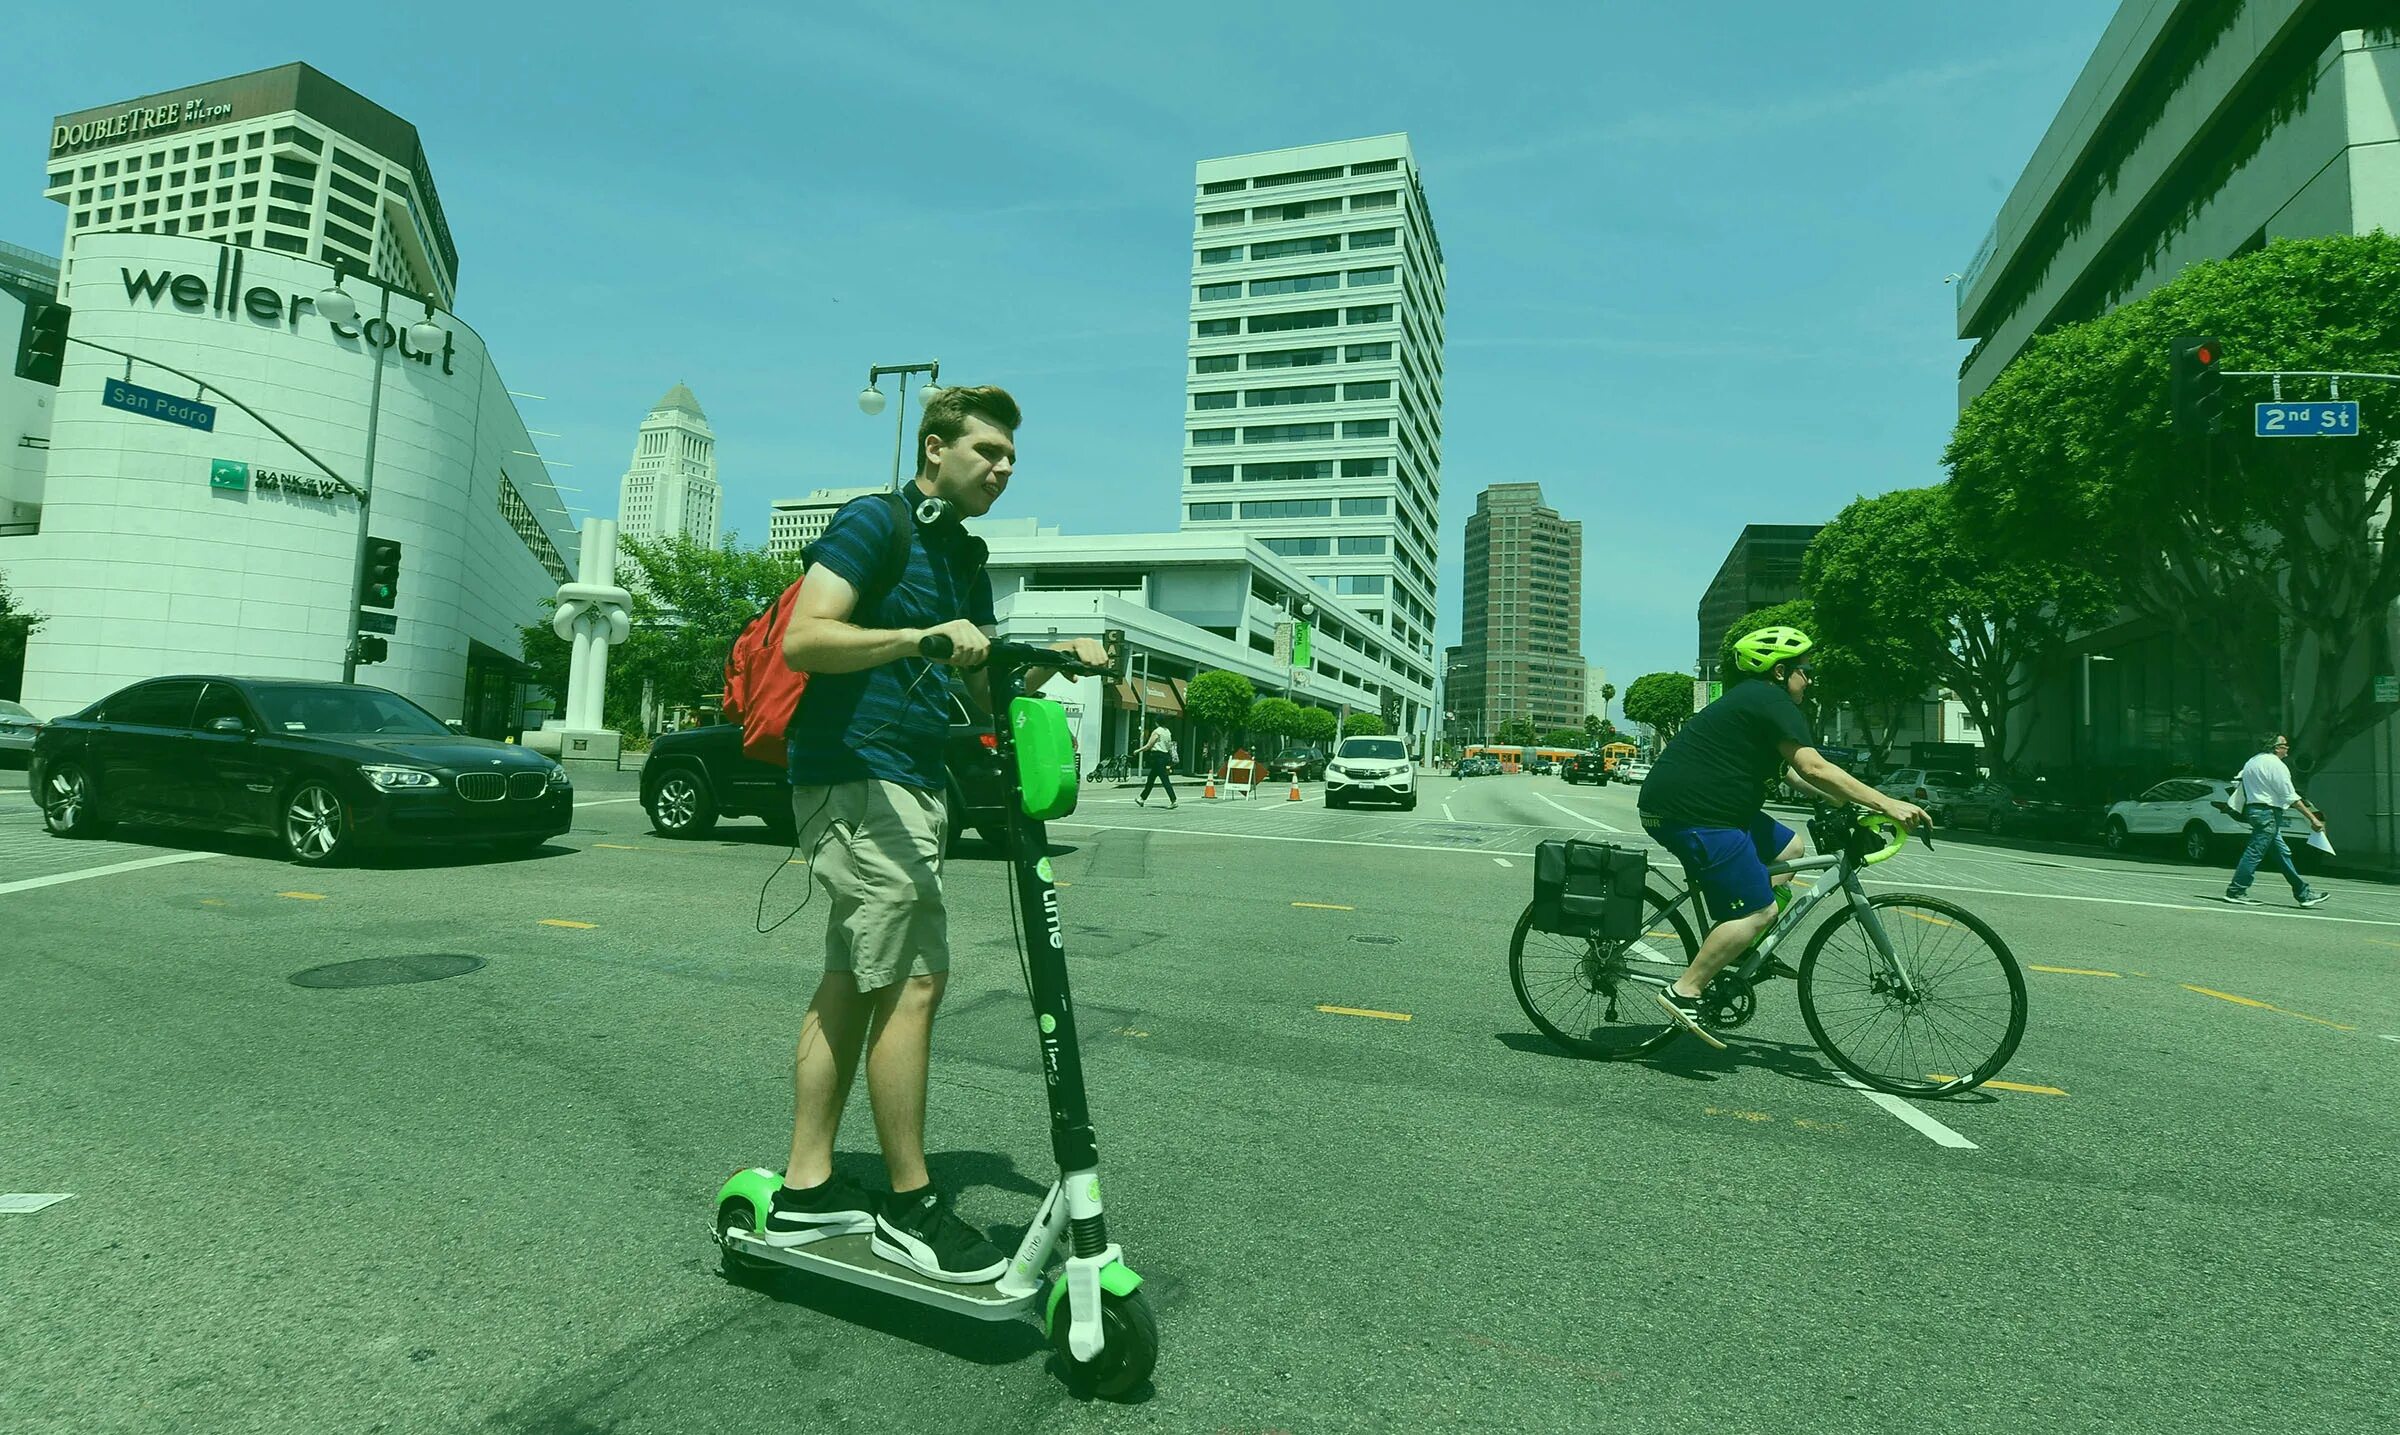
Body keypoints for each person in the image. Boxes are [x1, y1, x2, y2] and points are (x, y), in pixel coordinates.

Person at [767, 385, 1109, 1282]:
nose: (1001, 468)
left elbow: (985, 676)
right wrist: (918, 635)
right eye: (987, 451)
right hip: (854, 773)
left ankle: (807, 1187)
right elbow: (805, 639)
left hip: (913, 780)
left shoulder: (966, 554)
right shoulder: (874, 523)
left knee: (853, 977)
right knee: (915, 980)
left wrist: (1049, 660)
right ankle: (911, 1205)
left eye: (1009, 459)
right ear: (933, 448)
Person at [1636, 626, 1931, 1048]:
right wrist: (1887, 804)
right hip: (1691, 814)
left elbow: (1794, 773)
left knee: (1790, 848)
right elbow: (1814, 767)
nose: (1809, 679)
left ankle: (1737, 947)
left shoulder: (1758, 701)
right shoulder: (1770, 700)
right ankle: (1685, 990)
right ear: (1779, 672)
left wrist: (1847, 802)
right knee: (1759, 911)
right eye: (1804, 671)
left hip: (1713, 808)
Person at [2224, 734, 2328, 907]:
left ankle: (2303, 893)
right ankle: (2236, 890)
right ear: (2275, 747)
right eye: (2284, 744)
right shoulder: (2276, 765)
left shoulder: (2252, 762)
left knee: (2282, 854)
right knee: (2254, 851)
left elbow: (2239, 782)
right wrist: (2312, 818)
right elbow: (2290, 796)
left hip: (2255, 810)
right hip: (2268, 813)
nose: (2287, 747)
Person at [1135, 721, 1179, 808]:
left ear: (1156, 722)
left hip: (1157, 757)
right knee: (1151, 778)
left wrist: (1138, 750)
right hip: (1165, 756)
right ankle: (1142, 798)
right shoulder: (1167, 732)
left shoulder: (1157, 731)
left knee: (1164, 779)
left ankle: (1173, 800)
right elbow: (1169, 746)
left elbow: (1149, 745)